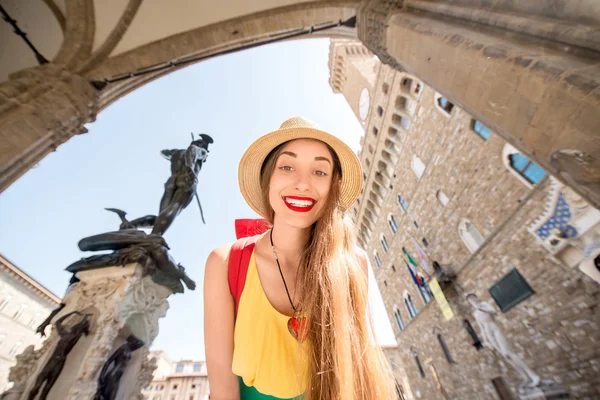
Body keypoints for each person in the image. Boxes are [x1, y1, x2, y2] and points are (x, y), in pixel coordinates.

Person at [204, 117, 394, 400]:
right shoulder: (224, 262)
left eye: (319, 172)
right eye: (287, 167)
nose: (303, 184)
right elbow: (223, 391)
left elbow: (358, 373)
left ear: (333, 186)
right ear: (268, 179)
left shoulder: (354, 263)